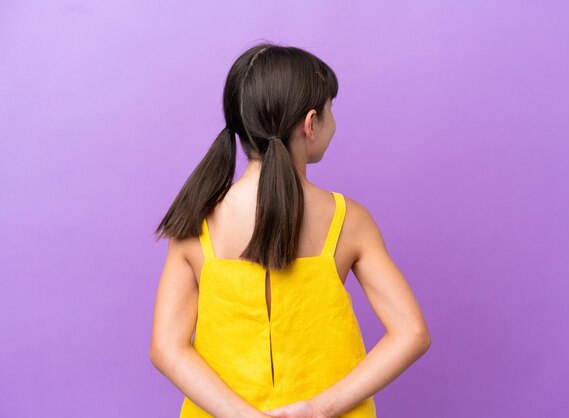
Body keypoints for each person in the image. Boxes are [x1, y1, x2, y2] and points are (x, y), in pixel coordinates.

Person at [149, 42, 431, 418]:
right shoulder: (349, 220)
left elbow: (166, 348)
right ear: (310, 123)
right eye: (331, 111)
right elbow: (411, 333)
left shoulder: (194, 221)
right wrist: (318, 408)